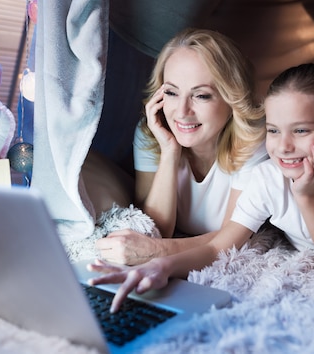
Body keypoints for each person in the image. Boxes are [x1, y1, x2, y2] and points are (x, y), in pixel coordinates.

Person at [88, 63, 314, 312]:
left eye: (300, 130)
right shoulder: (266, 177)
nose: (283, 147)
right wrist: (162, 267)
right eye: (273, 130)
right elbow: (220, 246)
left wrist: (306, 196)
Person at [95, 28, 268, 265]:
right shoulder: (152, 133)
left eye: (202, 96)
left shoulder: (254, 142)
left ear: (232, 98)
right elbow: (155, 229)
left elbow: (233, 239)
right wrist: (169, 152)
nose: (182, 112)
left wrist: (157, 251)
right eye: (172, 92)